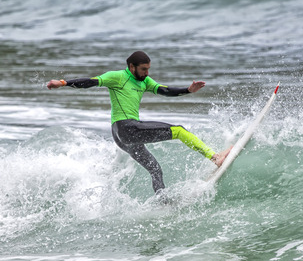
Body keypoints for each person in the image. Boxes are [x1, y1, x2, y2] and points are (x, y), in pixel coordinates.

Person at [47, 51, 231, 193]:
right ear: (131, 66)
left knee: (155, 169)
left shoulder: (144, 81)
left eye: (148, 69)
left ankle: (163, 203)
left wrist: (188, 90)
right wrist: (63, 83)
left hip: (121, 136)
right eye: (143, 69)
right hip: (125, 128)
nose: (146, 73)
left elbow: (164, 90)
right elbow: (91, 81)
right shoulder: (117, 76)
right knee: (179, 131)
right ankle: (215, 158)